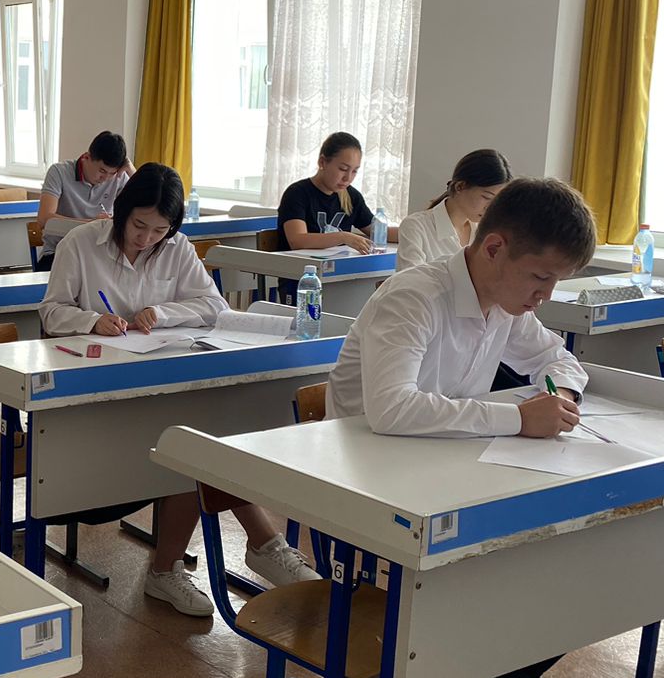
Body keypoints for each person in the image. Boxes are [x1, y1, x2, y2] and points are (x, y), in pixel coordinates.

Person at [328, 177, 598, 678]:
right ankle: (448, 676)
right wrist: (518, 417)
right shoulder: (415, 296)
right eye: (541, 277)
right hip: (367, 478)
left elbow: (558, 358)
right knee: (480, 551)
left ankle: (497, 661)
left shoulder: (504, 301)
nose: (545, 296)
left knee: (565, 546)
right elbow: (392, 409)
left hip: (444, 463)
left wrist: (560, 394)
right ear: (494, 248)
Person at [41, 163, 320, 615]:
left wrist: (163, 313)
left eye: (159, 230)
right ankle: (256, 547)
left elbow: (212, 305)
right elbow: (52, 311)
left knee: (193, 436)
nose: (146, 238)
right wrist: (91, 320)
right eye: (139, 225)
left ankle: (191, 563)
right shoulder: (81, 243)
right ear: (121, 210)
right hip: (95, 396)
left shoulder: (176, 247)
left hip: (158, 383)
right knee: (190, 442)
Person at [275, 131, 398, 254]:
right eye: (343, 169)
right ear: (322, 162)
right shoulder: (297, 193)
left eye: (354, 171)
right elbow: (297, 241)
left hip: (337, 264)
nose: (348, 178)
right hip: (298, 264)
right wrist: (343, 237)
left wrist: (409, 230)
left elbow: (381, 233)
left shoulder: (352, 196)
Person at [34, 131, 135, 271]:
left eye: (112, 173)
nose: (106, 178)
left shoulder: (119, 177)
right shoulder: (59, 172)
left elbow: (146, 205)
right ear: (87, 157)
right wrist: (94, 225)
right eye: (102, 171)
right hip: (59, 253)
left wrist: (132, 172)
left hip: (100, 255)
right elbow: (44, 219)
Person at [396, 149, 512, 270]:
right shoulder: (416, 227)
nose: (490, 207)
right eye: (486, 197)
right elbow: (410, 280)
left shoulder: (487, 232)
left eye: (496, 200)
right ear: (459, 187)